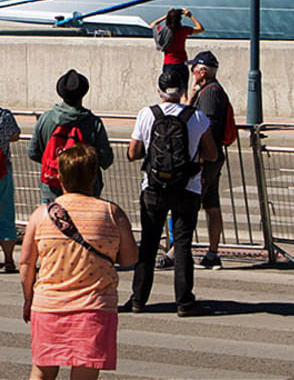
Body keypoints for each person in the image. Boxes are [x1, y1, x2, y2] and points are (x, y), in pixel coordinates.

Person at [20, 144, 137, 380]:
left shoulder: (41, 215)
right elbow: (130, 257)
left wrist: (29, 298)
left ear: (60, 176)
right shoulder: (111, 213)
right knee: (85, 374)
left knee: (42, 371)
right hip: (94, 308)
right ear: (94, 176)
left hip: (49, 306)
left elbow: (26, 262)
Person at [125, 71, 217, 316]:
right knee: (183, 244)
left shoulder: (147, 114)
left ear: (159, 90)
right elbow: (212, 154)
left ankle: (138, 299)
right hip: (187, 187)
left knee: (148, 243)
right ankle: (184, 302)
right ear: (183, 90)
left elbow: (133, 153)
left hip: (153, 187)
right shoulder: (196, 117)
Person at [28, 72, 114, 203]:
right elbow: (106, 159)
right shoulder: (93, 123)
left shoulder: (46, 119)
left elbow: (33, 152)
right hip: (86, 191)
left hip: (52, 189)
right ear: (83, 94)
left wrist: (56, 164)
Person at [188, 51, 234, 270]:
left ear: (202, 72)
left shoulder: (210, 94)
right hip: (212, 158)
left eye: (193, 70)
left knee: (190, 205)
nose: (191, 73)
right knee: (211, 204)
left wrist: (203, 158)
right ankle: (212, 254)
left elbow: (207, 128)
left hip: (206, 160)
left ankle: (177, 251)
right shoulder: (209, 91)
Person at [149, 7, 204, 90]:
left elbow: (153, 25)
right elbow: (200, 29)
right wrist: (190, 16)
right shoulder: (183, 30)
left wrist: (166, 16)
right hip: (182, 64)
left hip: (168, 64)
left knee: (168, 90)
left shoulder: (164, 31)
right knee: (183, 90)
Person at [0, 101, 18, 272]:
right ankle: (9, 260)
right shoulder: (4, 116)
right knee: (6, 215)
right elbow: (15, 135)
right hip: (2, 170)